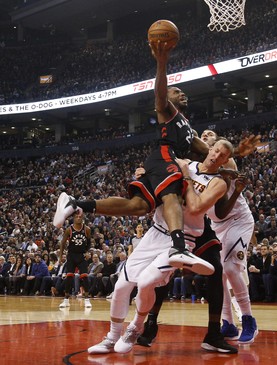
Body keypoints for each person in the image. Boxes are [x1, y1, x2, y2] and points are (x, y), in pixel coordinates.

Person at [53, 40, 212, 277]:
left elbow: (211, 154)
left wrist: (238, 151)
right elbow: (159, 95)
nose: (183, 93)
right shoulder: (168, 111)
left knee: (137, 207)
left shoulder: (189, 128)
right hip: (164, 156)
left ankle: (77, 203)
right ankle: (178, 248)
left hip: (161, 162)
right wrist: (161, 63)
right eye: (177, 91)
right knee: (172, 195)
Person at [88, 139, 238, 355]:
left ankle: (140, 327)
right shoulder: (184, 161)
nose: (215, 155)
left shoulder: (216, 181)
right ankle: (120, 334)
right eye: (214, 150)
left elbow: (196, 207)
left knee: (154, 280)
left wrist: (185, 176)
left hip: (189, 234)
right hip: (158, 229)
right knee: (122, 285)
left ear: (225, 160)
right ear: (208, 148)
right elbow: (158, 163)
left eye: (222, 155)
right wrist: (146, 173)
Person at [200, 129, 259, 343]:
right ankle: (228, 323)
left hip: (238, 220)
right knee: (218, 275)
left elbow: (222, 167)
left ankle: (249, 319)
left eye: (210, 134)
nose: (205, 135)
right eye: (202, 134)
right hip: (216, 225)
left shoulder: (229, 163)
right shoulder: (197, 165)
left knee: (231, 268)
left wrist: (238, 153)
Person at [58, 212, 92, 308]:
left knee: (84, 276)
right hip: (71, 255)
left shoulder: (87, 229)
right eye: (76, 217)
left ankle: (87, 300)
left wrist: (87, 251)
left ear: (83, 218)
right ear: (73, 218)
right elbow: (63, 243)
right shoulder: (69, 230)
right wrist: (60, 256)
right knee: (69, 277)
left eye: (80, 217)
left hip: (81, 255)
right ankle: (66, 300)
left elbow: (89, 243)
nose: (78, 218)